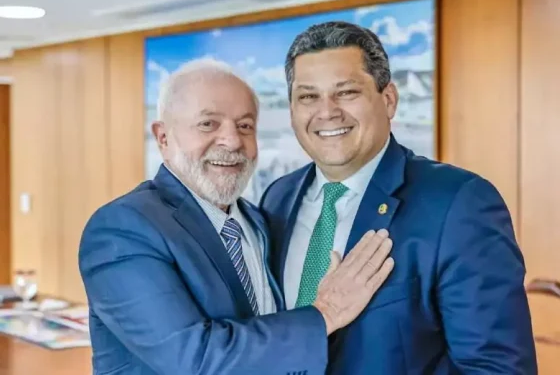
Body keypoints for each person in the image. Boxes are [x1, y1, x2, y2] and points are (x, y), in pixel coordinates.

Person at [78, 58, 395, 375]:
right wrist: (326, 312)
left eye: (245, 126)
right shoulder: (122, 229)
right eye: (208, 124)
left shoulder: (258, 221)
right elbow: (194, 359)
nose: (232, 141)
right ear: (163, 137)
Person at [259, 21, 538, 374]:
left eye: (346, 92)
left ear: (388, 99)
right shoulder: (277, 198)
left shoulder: (459, 203)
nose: (326, 111)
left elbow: (498, 368)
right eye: (308, 96)